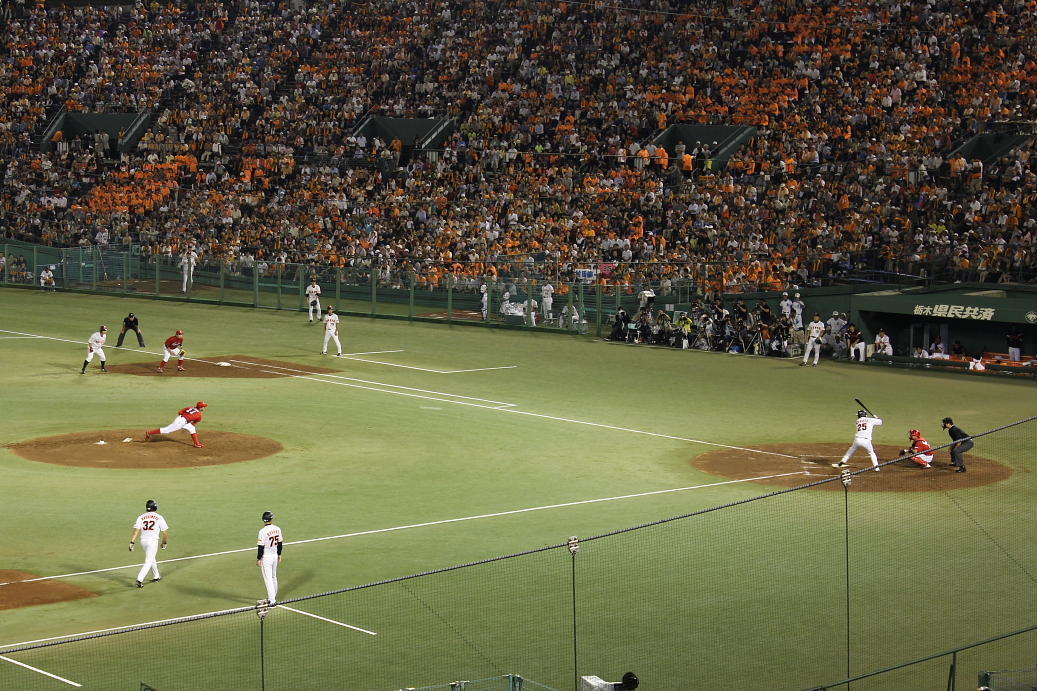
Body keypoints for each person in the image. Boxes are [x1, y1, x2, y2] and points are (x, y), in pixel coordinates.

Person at [128, 499, 169, 588]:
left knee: (151, 558)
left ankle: (156, 576)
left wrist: (132, 542)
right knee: (149, 561)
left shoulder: (141, 517)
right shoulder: (159, 517)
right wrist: (164, 543)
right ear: (155, 507)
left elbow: (136, 531)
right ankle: (139, 579)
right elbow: (165, 533)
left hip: (143, 541)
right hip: (152, 542)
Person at [256, 511, 283, 605]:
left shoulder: (262, 531)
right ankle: (273, 597)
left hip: (266, 558)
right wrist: (279, 554)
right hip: (275, 555)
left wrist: (259, 559)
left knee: (268, 579)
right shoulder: (277, 529)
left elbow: (261, 547)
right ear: (270, 519)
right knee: (273, 577)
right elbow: (280, 543)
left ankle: (272, 601)